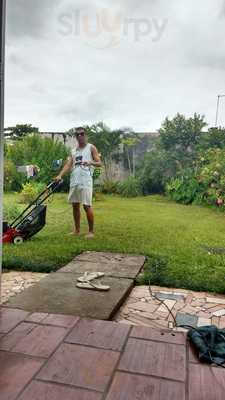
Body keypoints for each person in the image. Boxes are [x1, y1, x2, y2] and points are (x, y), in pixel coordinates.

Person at [55, 127, 101, 238]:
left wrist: (90, 162)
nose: (80, 136)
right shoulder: (73, 150)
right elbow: (68, 164)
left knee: (86, 206)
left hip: (85, 181)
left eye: (82, 134)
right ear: (76, 137)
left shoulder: (91, 147)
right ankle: (77, 230)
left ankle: (91, 232)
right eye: (78, 135)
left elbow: (99, 163)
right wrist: (60, 175)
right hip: (74, 180)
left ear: (85, 135)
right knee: (75, 205)